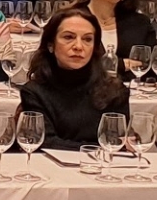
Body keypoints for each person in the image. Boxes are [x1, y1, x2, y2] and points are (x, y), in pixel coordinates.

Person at [16, 8, 131, 150]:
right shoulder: (35, 92)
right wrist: (98, 148)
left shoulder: (115, 90)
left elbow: (116, 143)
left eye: (87, 39)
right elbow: (45, 143)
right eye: (68, 37)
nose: (78, 46)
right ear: (51, 45)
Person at [79, 0, 157, 71]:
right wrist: (120, 65)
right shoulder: (69, 19)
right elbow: (68, 63)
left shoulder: (139, 24)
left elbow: (150, 66)